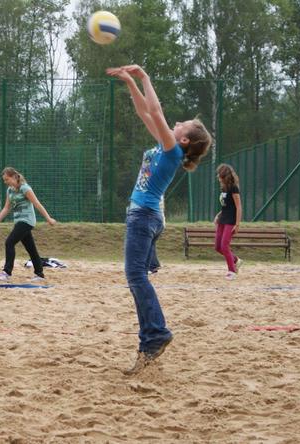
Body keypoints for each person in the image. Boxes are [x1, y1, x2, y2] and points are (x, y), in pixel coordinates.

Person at [106, 65, 212, 375]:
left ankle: (155, 334)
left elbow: (155, 108)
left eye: (183, 124)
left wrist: (144, 77)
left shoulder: (172, 152)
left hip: (144, 217)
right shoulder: (168, 147)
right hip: (146, 217)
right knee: (137, 277)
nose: (177, 123)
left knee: (136, 277)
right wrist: (130, 83)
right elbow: (145, 112)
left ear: (184, 142)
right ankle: (150, 341)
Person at [0, 167, 57, 282]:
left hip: (27, 221)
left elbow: (37, 204)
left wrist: (48, 218)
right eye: (4, 180)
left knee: (9, 242)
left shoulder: (25, 188)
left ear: (14, 177)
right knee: (31, 249)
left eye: (7, 179)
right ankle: (39, 274)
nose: (5, 182)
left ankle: (6, 272)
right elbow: (7, 208)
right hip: (18, 221)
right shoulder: (10, 191)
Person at [214, 163, 242, 280]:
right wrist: (218, 215)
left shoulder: (233, 188)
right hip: (223, 219)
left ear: (224, 175)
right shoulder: (223, 188)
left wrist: (237, 224)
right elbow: (226, 206)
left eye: (219, 174)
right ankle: (236, 260)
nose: (217, 177)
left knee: (224, 245)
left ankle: (232, 271)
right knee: (218, 247)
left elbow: (238, 206)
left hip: (230, 220)